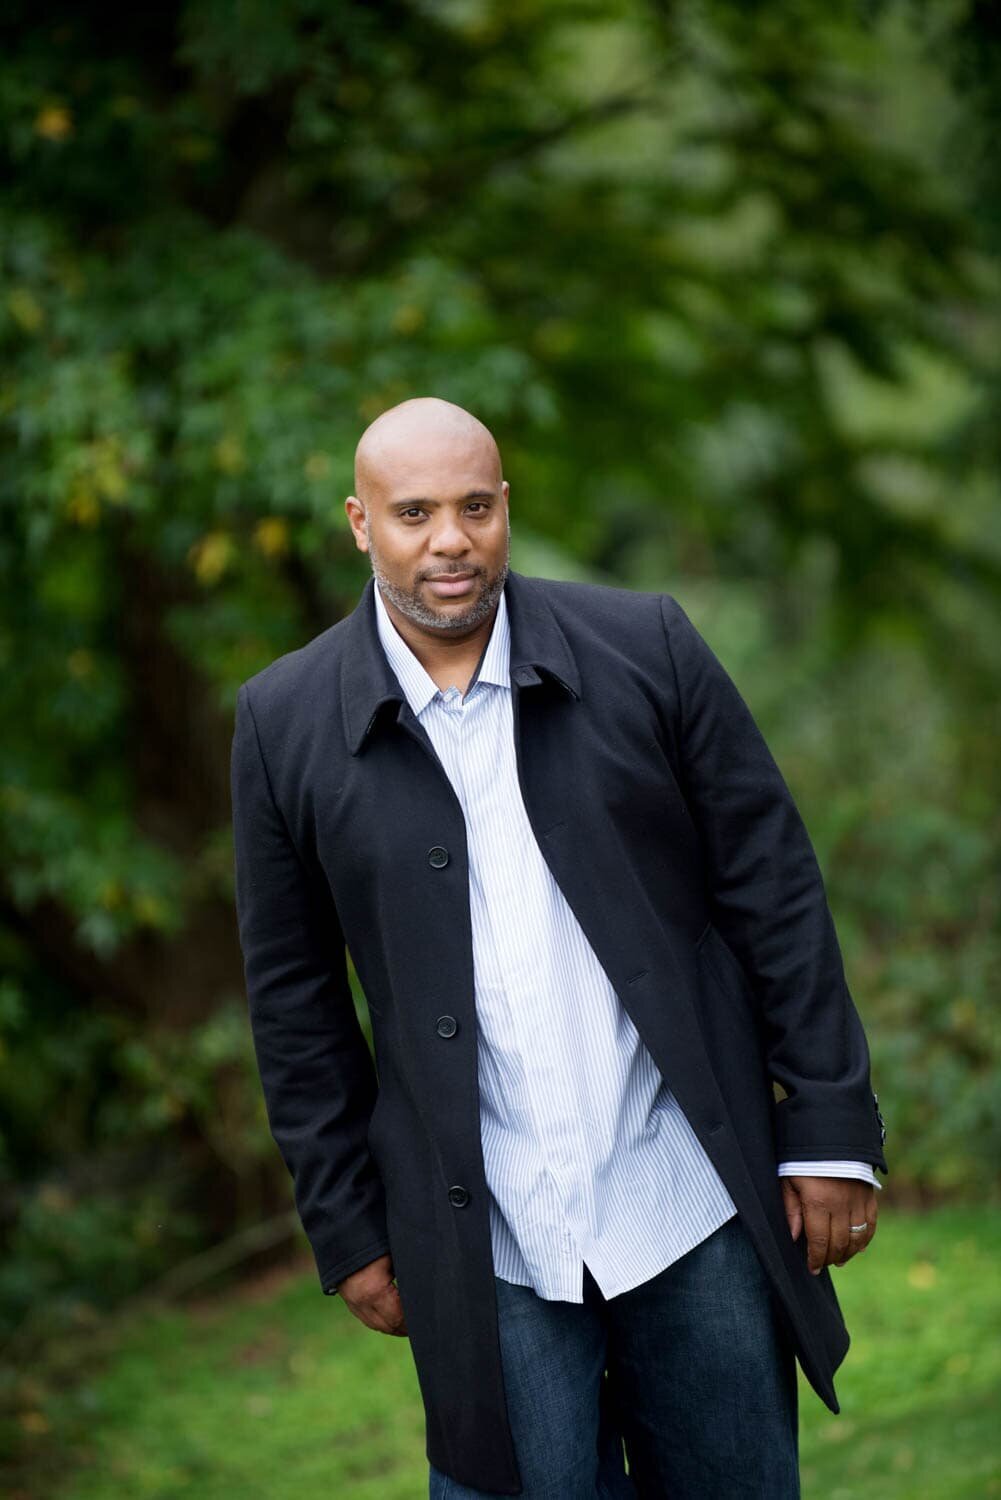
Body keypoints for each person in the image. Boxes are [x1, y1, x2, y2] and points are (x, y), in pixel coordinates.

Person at [230, 397, 888, 1498]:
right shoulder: (284, 720)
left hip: (688, 1200)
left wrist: (826, 1127)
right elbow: (294, 1003)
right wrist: (345, 1226)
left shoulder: (646, 647)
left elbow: (771, 888)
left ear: (505, 510)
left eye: (475, 507)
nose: (450, 540)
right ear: (359, 523)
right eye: (414, 513)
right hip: (482, 1242)